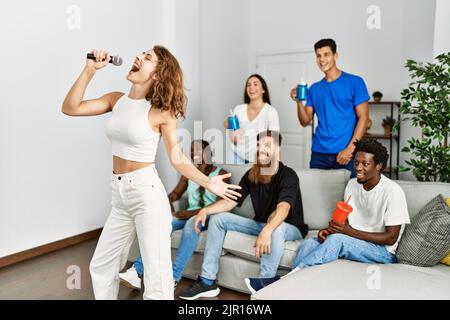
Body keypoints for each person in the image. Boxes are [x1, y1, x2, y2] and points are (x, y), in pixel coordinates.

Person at [61, 47, 241, 300]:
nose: (138, 57)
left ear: (157, 75)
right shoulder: (117, 100)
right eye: (141, 54)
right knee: (102, 266)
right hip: (119, 194)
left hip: (147, 194)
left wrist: (208, 182)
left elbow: (177, 158)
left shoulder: (161, 112)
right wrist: (89, 70)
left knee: (157, 275)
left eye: (147, 58)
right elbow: (70, 108)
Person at [254, 138, 410, 292]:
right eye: (356, 162)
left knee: (338, 240)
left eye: (365, 164)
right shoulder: (352, 185)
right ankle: (295, 288)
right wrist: (328, 232)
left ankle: (285, 282)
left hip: (383, 252)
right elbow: (346, 222)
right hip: (355, 241)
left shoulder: (392, 192)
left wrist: (347, 232)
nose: (358, 168)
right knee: (309, 243)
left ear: (379, 166)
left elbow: (391, 238)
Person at [178, 130, 308, 300]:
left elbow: (283, 209)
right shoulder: (251, 174)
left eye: (267, 145)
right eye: (259, 145)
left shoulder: (288, 175)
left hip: (289, 227)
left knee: (277, 228)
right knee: (218, 219)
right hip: (261, 224)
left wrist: (267, 230)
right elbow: (230, 201)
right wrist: (206, 210)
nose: (261, 149)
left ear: (277, 149)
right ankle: (207, 282)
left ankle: (264, 286)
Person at [119, 140, 229, 290]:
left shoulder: (220, 174)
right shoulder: (189, 173)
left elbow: (223, 204)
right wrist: (166, 203)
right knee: (164, 225)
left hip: (209, 216)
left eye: (197, 150)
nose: (193, 153)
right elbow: (176, 194)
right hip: (188, 214)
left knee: (191, 224)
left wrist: (189, 213)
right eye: (191, 150)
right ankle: (136, 271)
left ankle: (173, 277)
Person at [290, 38, 370, 178]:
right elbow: (305, 121)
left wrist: (350, 149)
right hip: (319, 154)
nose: (322, 59)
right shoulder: (314, 89)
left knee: (348, 197)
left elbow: (364, 118)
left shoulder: (355, 82)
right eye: (319, 55)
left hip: (346, 153)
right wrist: (298, 102)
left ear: (335, 56)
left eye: (326, 54)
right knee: (316, 196)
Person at [224, 74, 280, 164]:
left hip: (257, 159)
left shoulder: (270, 112)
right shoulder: (238, 109)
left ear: (263, 89)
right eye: (248, 85)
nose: (251, 87)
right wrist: (230, 127)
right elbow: (235, 141)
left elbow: (274, 142)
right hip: (236, 156)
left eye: (255, 84)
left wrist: (276, 164)